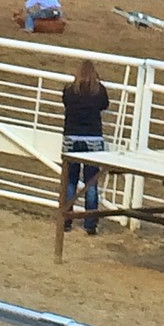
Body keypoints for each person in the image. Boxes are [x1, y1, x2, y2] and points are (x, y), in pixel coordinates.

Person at [62, 60, 109, 235]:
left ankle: (66, 219)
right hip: (93, 138)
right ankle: (90, 224)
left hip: (71, 137)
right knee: (91, 182)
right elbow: (105, 105)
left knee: (70, 180)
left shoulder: (69, 90)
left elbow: (65, 102)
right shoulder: (99, 91)